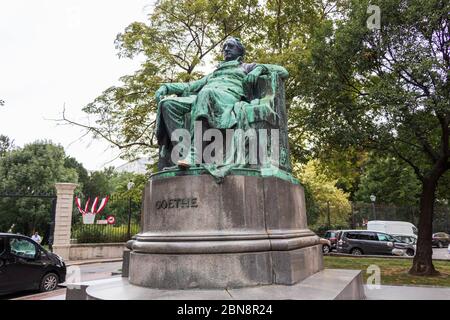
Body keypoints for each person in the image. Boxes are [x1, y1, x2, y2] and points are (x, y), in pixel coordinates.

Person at [155, 37, 269, 169]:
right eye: (224, 47)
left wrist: (258, 69)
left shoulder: (245, 67)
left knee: (206, 93)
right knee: (167, 104)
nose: (226, 49)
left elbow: (282, 71)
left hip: (226, 98)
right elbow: (190, 86)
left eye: (230, 46)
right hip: (204, 98)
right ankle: (184, 154)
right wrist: (167, 87)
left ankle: (194, 155)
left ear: (240, 51)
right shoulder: (214, 73)